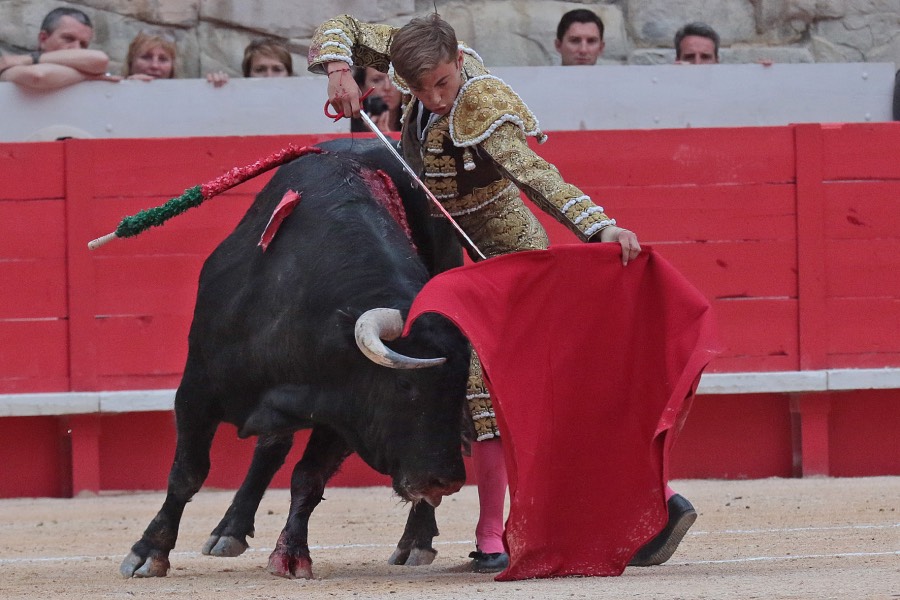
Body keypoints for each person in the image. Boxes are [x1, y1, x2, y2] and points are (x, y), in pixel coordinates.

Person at [310, 12, 694, 574]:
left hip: (505, 251)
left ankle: (542, 526)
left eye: (442, 83)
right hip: (447, 248)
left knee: (525, 389)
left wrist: (597, 226)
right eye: (418, 89)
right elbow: (338, 22)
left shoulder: (482, 101)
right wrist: (339, 69)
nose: (433, 98)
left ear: (459, 63)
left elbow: (535, 174)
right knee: (487, 385)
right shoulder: (408, 54)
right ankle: (499, 532)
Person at [0, 7, 118, 90]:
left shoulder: (23, 61)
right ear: (43, 39)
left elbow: (101, 60)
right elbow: (38, 76)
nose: (76, 48)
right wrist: (91, 77)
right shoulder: (13, 68)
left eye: (83, 45)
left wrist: (28, 59)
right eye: (68, 38)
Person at [205, 38, 293, 87]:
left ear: (289, 74)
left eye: (277, 70)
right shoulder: (236, 103)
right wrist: (217, 91)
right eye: (260, 70)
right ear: (248, 74)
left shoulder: (302, 105)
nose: (269, 76)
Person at [349, 66, 403, 133]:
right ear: (361, 88)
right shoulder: (346, 127)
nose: (387, 87)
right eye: (377, 80)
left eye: (395, 80)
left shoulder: (416, 128)